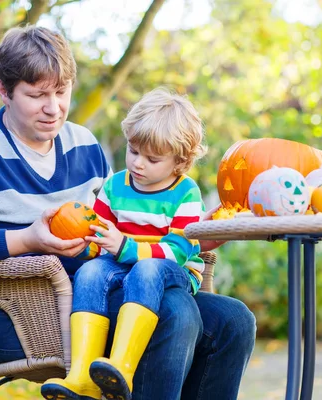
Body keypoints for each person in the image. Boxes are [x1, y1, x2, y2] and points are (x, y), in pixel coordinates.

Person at [0, 25, 256, 400]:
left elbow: (117, 228)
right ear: (3, 91)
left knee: (233, 320)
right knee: (174, 310)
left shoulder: (83, 144)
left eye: (61, 91)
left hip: (98, 294)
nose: (53, 108)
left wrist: (196, 234)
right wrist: (26, 239)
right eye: (37, 95)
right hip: (17, 314)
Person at [41, 87, 209, 400]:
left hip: (172, 270)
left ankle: (122, 367)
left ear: (179, 162)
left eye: (152, 158)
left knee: (146, 269)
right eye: (133, 151)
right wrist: (84, 243)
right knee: (90, 273)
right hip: (121, 261)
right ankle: (82, 375)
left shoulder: (186, 193)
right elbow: (99, 230)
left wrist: (125, 247)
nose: (138, 163)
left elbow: (178, 250)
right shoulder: (116, 184)